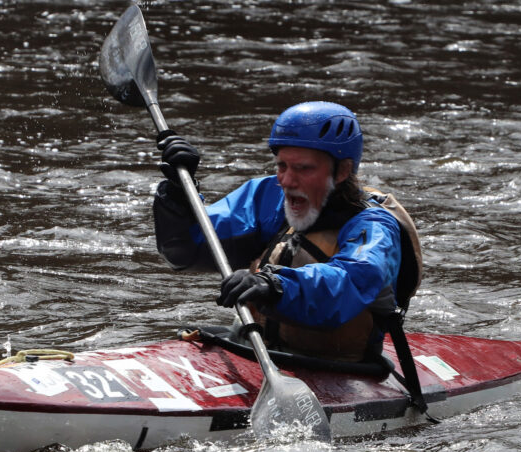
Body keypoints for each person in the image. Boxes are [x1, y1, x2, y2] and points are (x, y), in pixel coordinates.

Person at [152, 101, 422, 364]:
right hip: (255, 349)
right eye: (282, 166)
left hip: (337, 365)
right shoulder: (270, 198)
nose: (287, 180)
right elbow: (183, 249)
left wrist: (274, 285)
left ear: (342, 171)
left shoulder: (374, 227)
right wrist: (178, 194)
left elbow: (350, 281)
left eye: (303, 168)